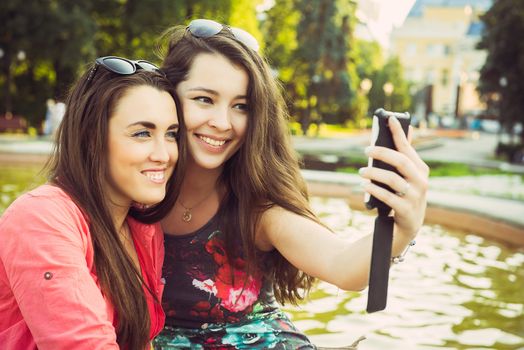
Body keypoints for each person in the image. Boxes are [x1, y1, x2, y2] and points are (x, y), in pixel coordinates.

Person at [154, 19, 429, 349]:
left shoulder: (257, 208)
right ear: (168, 97)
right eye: (204, 99)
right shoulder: (131, 189)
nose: (223, 122)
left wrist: (402, 229)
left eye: (241, 106)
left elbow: (342, 265)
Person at [0, 56, 186, 350]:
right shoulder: (40, 218)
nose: (164, 154)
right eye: (142, 133)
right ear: (91, 138)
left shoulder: (142, 228)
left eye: (171, 134)